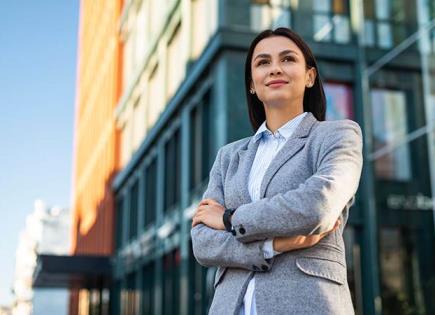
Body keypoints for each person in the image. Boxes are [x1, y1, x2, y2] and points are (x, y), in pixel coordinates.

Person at [190, 27, 363, 315]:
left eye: (288, 59)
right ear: (252, 84)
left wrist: (229, 218)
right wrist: (272, 246)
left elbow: (317, 206)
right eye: (263, 62)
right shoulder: (229, 157)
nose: (275, 69)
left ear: (310, 76)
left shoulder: (338, 135)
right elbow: (203, 243)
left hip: (308, 304)